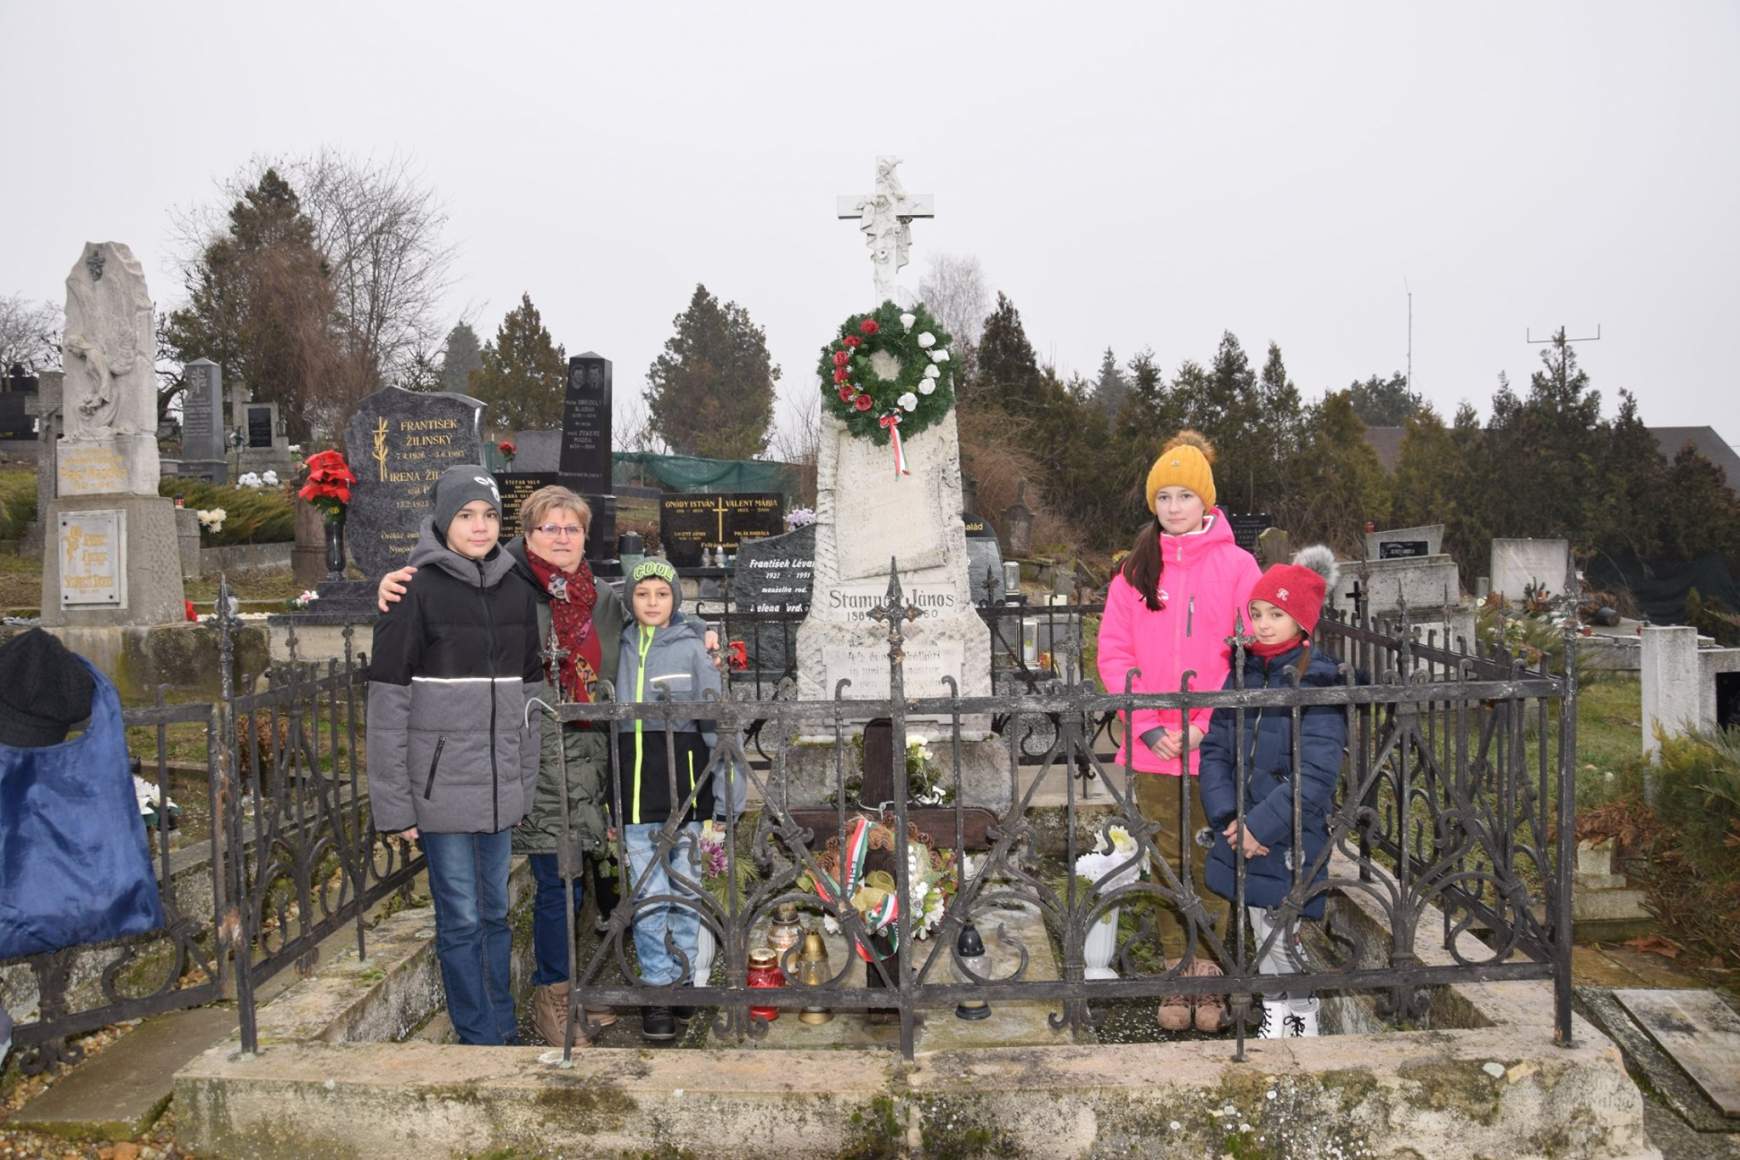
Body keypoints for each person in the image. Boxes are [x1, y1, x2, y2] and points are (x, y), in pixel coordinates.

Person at [377, 487, 719, 1047]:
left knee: (585, 880)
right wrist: (389, 584)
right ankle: (551, 999)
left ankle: (575, 990)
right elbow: (440, 603)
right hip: (532, 749)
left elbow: (656, 612)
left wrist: (701, 627)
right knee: (555, 880)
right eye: (549, 528)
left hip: (599, 757)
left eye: (573, 529)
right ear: (527, 535)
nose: (562, 538)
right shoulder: (508, 584)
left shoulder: (602, 598)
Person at [366, 466, 541, 1045]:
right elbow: (388, 705)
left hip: (497, 792)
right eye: (466, 515)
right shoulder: (412, 590)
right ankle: (477, 1035)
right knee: (461, 919)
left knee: (495, 915)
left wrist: (524, 780)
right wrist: (396, 806)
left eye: (489, 515)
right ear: (443, 520)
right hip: (440, 794)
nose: (479, 526)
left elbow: (533, 699)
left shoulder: (518, 588)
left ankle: (503, 1024)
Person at [1094, 430, 1261, 1032]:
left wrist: (1203, 725)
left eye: (1183, 495)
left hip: (1214, 748)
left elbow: (1249, 652)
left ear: (1206, 501)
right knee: (1166, 861)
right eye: (1162, 496)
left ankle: (1210, 981)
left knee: (1215, 859)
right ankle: (1175, 973)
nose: (1172, 507)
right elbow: (1114, 654)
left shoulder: (1238, 566)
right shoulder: (1137, 569)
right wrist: (1147, 725)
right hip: (1155, 748)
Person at [1198, 547, 1347, 1039]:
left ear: (1302, 621)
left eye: (1276, 615)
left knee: (1284, 933)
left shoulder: (1317, 677)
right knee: (1261, 930)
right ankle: (1276, 1016)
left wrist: (1260, 826)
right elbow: (1216, 749)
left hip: (1287, 831)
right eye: (1257, 613)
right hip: (1240, 825)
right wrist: (1227, 818)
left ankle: (1300, 1020)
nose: (1262, 625)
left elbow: (1318, 773)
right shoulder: (1241, 671)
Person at [614, 558, 720, 1043]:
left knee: (684, 890)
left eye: (661, 593)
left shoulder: (694, 650)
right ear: (630, 600)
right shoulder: (621, 645)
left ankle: (683, 980)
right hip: (636, 795)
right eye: (642, 594)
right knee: (649, 896)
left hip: (686, 792)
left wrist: (723, 797)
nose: (652, 602)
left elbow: (716, 727)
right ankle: (656, 990)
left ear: (675, 599)